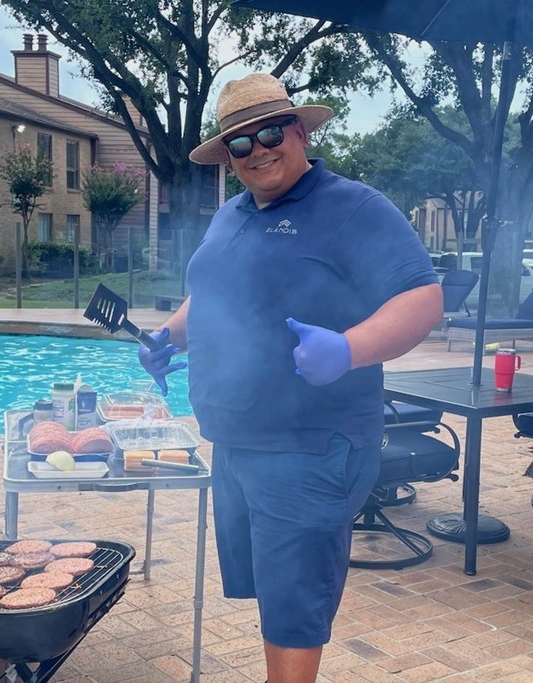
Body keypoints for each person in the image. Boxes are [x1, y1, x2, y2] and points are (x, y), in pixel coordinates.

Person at [138, 73, 443, 683]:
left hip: (311, 445)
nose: (258, 150)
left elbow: (423, 299)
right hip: (237, 441)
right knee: (277, 597)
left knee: (296, 606)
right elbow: (212, 293)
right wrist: (168, 335)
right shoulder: (232, 213)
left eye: (270, 133)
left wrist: (348, 348)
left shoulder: (353, 207)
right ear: (229, 157)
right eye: (241, 145)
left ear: (299, 131)